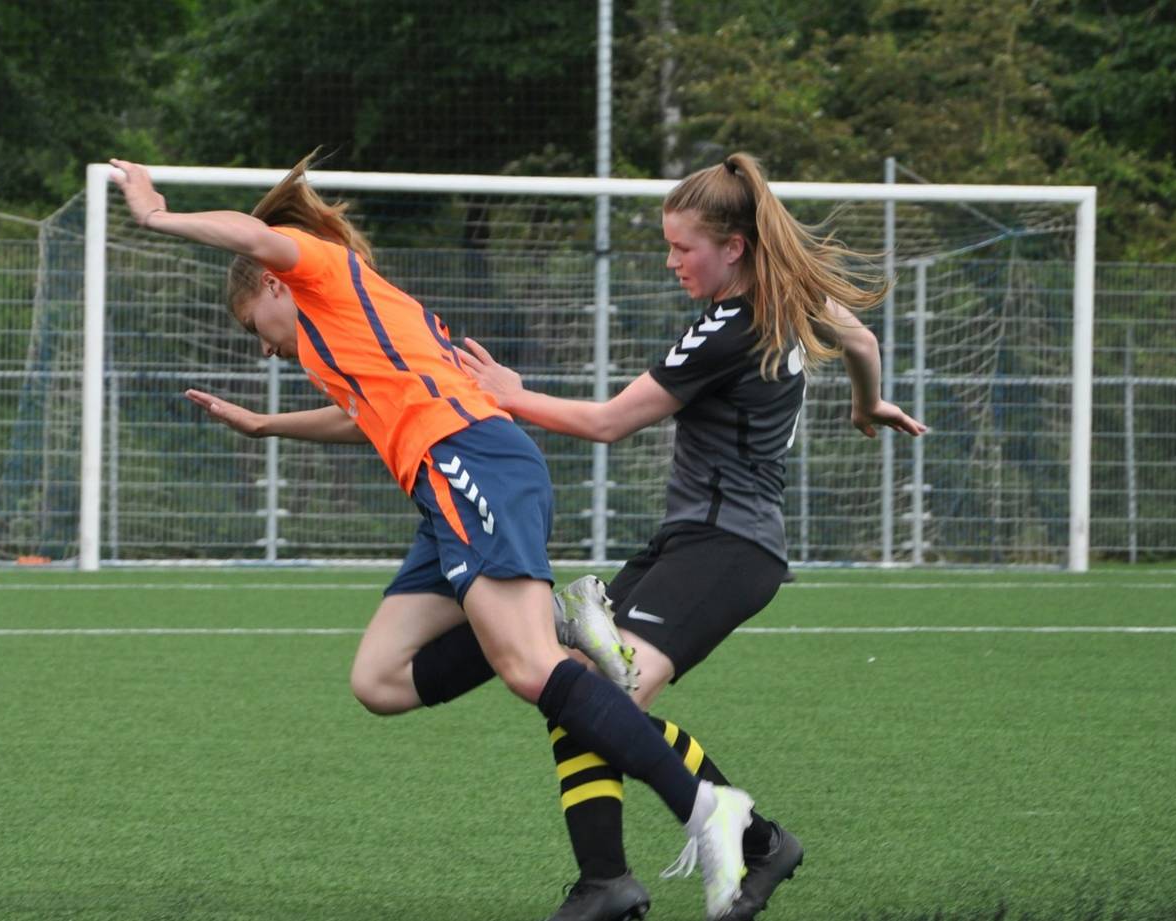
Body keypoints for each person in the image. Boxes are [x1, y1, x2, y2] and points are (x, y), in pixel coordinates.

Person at [189, 152, 925, 921]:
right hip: (690, 537)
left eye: (682, 247)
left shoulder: (729, 328)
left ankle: (735, 837)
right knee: (576, 685)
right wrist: (867, 402)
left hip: (729, 547)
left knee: (595, 692)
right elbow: (861, 339)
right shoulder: (788, 299)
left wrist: (513, 393)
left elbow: (608, 422)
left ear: (733, 246)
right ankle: (621, 876)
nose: (671, 260)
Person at [109, 153, 758, 919]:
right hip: (443, 484)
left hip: (470, 460)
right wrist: (265, 425)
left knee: (530, 669)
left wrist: (157, 216)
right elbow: (362, 414)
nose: (263, 348)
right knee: (380, 679)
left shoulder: (322, 271)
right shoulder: (338, 334)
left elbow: (254, 236)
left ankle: (704, 807)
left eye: (255, 327)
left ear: (274, 285)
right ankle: (555, 620)